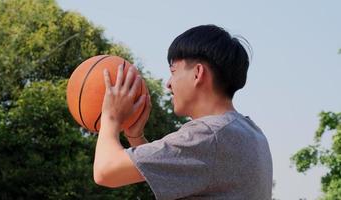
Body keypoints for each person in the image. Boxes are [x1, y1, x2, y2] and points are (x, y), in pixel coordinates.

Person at [93, 24, 273, 200]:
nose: (169, 84)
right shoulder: (251, 132)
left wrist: (111, 116)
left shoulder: (208, 135)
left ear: (197, 73)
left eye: (173, 71)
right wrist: (135, 135)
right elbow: (161, 169)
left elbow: (105, 171)